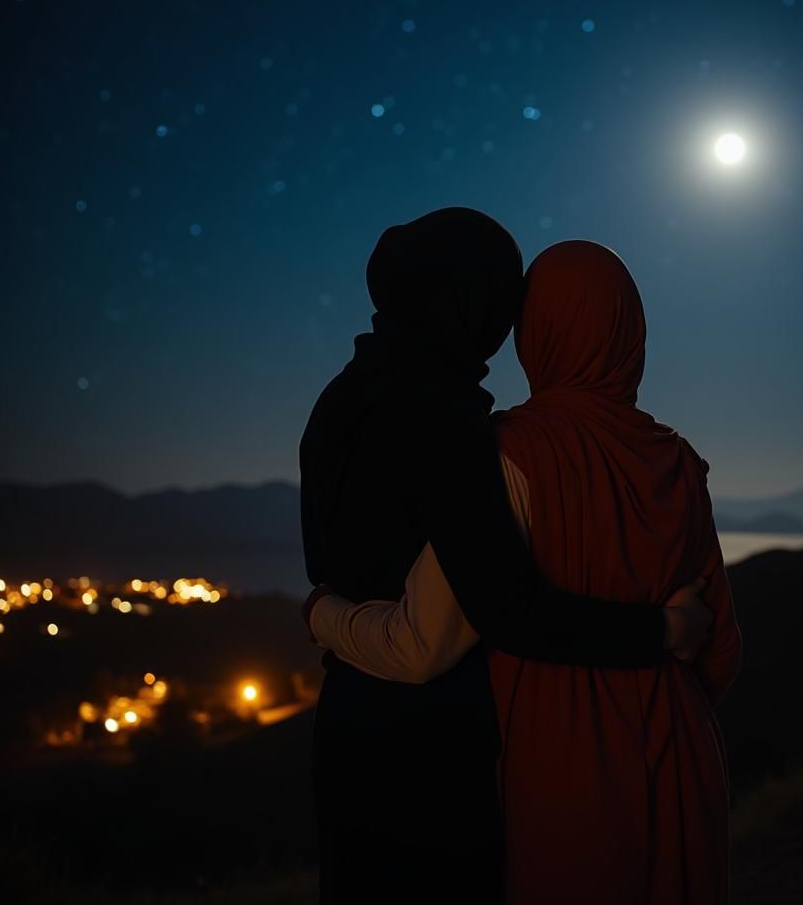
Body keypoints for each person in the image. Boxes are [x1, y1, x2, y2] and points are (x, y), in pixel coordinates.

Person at [308, 239, 742, 904]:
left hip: (558, 756)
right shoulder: (679, 462)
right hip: (685, 758)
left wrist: (324, 615)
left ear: (531, 333)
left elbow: (435, 633)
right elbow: (721, 650)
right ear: (632, 332)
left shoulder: (505, 451)